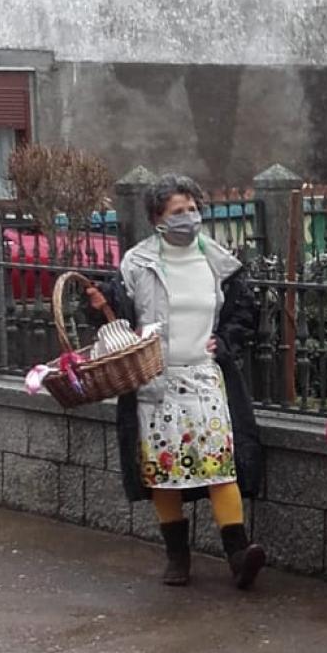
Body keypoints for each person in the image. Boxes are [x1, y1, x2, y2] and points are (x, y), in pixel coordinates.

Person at [87, 173, 265, 588]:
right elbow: (117, 317)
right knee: (162, 470)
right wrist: (98, 304)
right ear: (157, 219)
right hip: (155, 383)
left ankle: (239, 554)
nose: (189, 217)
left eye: (192, 209)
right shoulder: (137, 263)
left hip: (205, 381)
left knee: (221, 468)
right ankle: (177, 557)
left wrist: (224, 343)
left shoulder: (219, 261)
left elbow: (244, 314)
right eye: (177, 211)